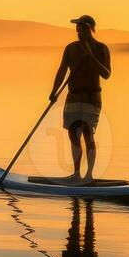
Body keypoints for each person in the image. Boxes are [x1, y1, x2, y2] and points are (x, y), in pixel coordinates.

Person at [47, 14, 112, 183]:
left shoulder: (101, 48)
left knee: (88, 134)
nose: (78, 32)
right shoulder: (71, 48)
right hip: (73, 97)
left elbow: (106, 74)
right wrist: (54, 92)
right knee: (73, 134)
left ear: (89, 29)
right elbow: (62, 70)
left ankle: (89, 176)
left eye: (81, 29)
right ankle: (76, 174)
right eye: (77, 29)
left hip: (91, 98)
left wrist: (91, 57)